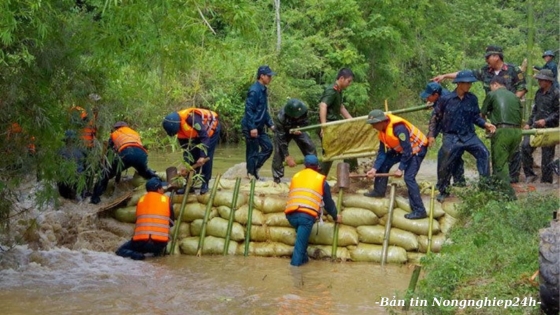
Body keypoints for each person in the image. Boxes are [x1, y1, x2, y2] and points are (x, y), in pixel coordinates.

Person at [432, 45, 527, 182]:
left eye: (488, 57)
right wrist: (445, 76)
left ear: (496, 56)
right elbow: (465, 74)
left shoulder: (513, 70)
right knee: (497, 144)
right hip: (493, 114)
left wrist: (510, 101)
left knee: (513, 148)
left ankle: (513, 178)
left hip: (510, 113)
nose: (486, 60)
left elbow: (523, 87)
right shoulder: (485, 71)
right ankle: (496, 178)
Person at [431, 70, 496, 202]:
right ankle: (444, 189)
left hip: (469, 135)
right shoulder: (445, 99)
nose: (469, 85)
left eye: (470, 83)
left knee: (484, 153)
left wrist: (486, 125)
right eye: (467, 83)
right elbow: (435, 118)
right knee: (444, 160)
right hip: (451, 136)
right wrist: (431, 135)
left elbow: (475, 117)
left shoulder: (472, 99)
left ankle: (484, 187)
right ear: (459, 84)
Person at [363, 110, 428, 220]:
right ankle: (379, 191)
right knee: (383, 163)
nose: (373, 127)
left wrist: (400, 168)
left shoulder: (399, 128)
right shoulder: (382, 133)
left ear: (381, 121)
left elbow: (408, 151)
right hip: (403, 150)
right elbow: (382, 153)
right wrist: (374, 169)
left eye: (374, 124)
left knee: (409, 178)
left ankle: (420, 210)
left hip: (416, 150)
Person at [284, 155, 341, 266]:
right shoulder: (321, 180)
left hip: (290, 215)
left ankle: (305, 264)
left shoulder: (296, 176)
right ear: (317, 167)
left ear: (305, 165)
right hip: (305, 217)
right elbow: (328, 204)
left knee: (302, 243)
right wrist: (335, 216)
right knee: (299, 248)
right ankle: (294, 274)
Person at [90, 122, 157, 204]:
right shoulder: (134, 132)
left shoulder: (115, 133)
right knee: (144, 172)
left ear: (117, 128)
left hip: (127, 153)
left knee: (105, 173)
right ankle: (157, 181)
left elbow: (109, 153)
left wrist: (105, 165)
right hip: (141, 154)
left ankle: (95, 198)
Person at [481, 76, 523, 199]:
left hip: (502, 131)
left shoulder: (492, 94)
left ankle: (507, 196)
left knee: (500, 164)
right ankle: (497, 188)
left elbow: (482, 114)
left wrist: (486, 127)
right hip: (517, 132)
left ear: (495, 84)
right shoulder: (515, 96)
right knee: (505, 161)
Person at [162, 108, 221, 194]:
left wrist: (202, 156)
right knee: (193, 156)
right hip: (197, 135)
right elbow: (186, 149)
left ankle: (205, 183)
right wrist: (186, 165)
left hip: (210, 131)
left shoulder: (192, 119)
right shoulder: (179, 129)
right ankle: (190, 184)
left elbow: (204, 137)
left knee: (206, 155)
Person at [115, 177, 174, 260]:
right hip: (159, 244)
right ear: (158, 189)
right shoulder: (166, 200)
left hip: (141, 242)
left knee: (120, 251)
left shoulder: (141, 200)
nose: (163, 190)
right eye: (162, 188)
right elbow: (171, 223)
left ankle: (137, 255)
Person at [422, 82, 465, 187]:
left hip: (455, 130)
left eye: (428, 97)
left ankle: (443, 184)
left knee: (446, 155)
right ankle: (459, 181)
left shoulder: (445, 99)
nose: (426, 99)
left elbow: (434, 119)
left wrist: (431, 135)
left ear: (436, 95)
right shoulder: (441, 94)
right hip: (447, 126)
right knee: (455, 155)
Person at [521, 69, 560, 184]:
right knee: (525, 147)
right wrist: (528, 123)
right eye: (539, 79)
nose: (539, 82)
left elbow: (558, 112)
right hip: (535, 127)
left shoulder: (556, 94)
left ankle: (546, 182)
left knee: (547, 157)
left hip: (549, 129)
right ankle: (529, 174)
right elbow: (535, 110)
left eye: (541, 80)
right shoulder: (538, 93)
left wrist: (546, 120)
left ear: (548, 81)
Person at [317, 68, 355, 176]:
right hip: (329, 127)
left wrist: (352, 120)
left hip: (334, 126)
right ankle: (320, 178)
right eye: (349, 81)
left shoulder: (338, 90)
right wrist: (324, 127)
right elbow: (323, 105)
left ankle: (352, 173)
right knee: (331, 153)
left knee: (345, 147)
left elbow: (341, 107)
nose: (349, 84)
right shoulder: (331, 90)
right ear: (342, 78)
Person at [241, 65, 276, 180]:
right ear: (262, 76)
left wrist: (270, 124)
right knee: (253, 151)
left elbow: (263, 110)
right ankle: (251, 174)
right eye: (269, 76)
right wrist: (252, 127)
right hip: (251, 126)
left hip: (259, 126)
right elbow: (249, 109)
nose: (270, 78)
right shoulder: (254, 90)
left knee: (268, 147)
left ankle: (254, 169)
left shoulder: (263, 89)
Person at [271, 98, 317, 184]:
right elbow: (281, 139)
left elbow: (306, 122)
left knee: (310, 146)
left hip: (298, 129)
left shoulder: (304, 110)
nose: (298, 116)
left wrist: (300, 128)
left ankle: (312, 171)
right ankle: (276, 178)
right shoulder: (280, 118)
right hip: (283, 131)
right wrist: (287, 156)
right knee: (278, 152)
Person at [56, 130, 87, 200]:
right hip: (79, 176)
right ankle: (81, 195)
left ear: (65, 140)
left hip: (65, 178)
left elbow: (56, 164)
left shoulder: (60, 150)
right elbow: (87, 159)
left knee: (63, 195)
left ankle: (66, 196)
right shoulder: (81, 149)